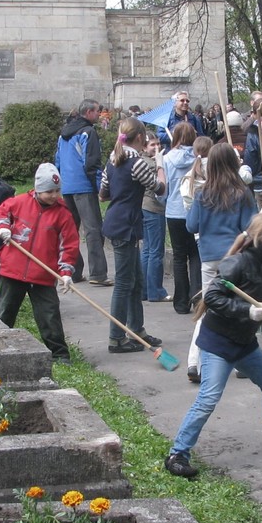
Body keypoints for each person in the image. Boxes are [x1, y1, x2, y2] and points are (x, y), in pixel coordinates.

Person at [163, 213, 262, 479]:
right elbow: (212, 296)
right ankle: (177, 453)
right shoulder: (236, 264)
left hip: (245, 343)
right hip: (218, 343)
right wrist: (248, 311)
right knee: (208, 398)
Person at [184, 142, 259, 382]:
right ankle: (240, 363)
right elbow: (250, 228)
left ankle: (195, 362)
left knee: (209, 306)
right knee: (237, 309)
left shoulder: (202, 193)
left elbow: (191, 225)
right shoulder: (242, 193)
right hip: (235, 258)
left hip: (208, 258)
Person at [0, 163, 79, 363]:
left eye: (57, 191)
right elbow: (0, 213)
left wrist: (66, 271)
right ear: (38, 189)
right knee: (5, 311)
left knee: (49, 316)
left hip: (43, 274)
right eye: (49, 191)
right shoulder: (19, 202)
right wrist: (4, 227)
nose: (54, 195)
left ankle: (59, 354)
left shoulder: (63, 214)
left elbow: (69, 245)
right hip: (12, 270)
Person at [100, 118, 167, 353]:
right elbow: (160, 188)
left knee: (135, 280)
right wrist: (159, 165)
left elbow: (103, 194)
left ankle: (137, 330)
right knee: (124, 283)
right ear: (140, 138)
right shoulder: (137, 162)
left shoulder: (113, 160)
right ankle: (116, 338)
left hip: (117, 222)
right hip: (125, 227)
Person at [56, 99, 110, 286]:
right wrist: (100, 188)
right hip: (84, 187)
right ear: (88, 112)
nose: (99, 114)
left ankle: (74, 271)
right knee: (93, 230)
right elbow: (92, 164)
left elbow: (58, 162)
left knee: (70, 231)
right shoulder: (89, 133)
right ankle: (98, 274)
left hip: (67, 187)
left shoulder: (63, 135)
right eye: (97, 111)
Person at [163, 123, 202, 315]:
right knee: (195, 254)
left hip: (174, 210)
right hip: (195, 210)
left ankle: (180, 301)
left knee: (179, 256)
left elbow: (165, 187)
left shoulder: (168, 158)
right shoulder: (199, 158)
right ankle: (197, 296)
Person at [140, 131, 170, 303]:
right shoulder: (151, 164)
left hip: (144, 207)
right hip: (154, 207)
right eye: (153, 145)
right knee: (156, 251)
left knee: (147, 249)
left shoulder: (141, 161)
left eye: (159, 144)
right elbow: (161, 186)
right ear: (144, 146)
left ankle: (145, 290)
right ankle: (156, 291)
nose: (157, 147)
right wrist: (161, 165)